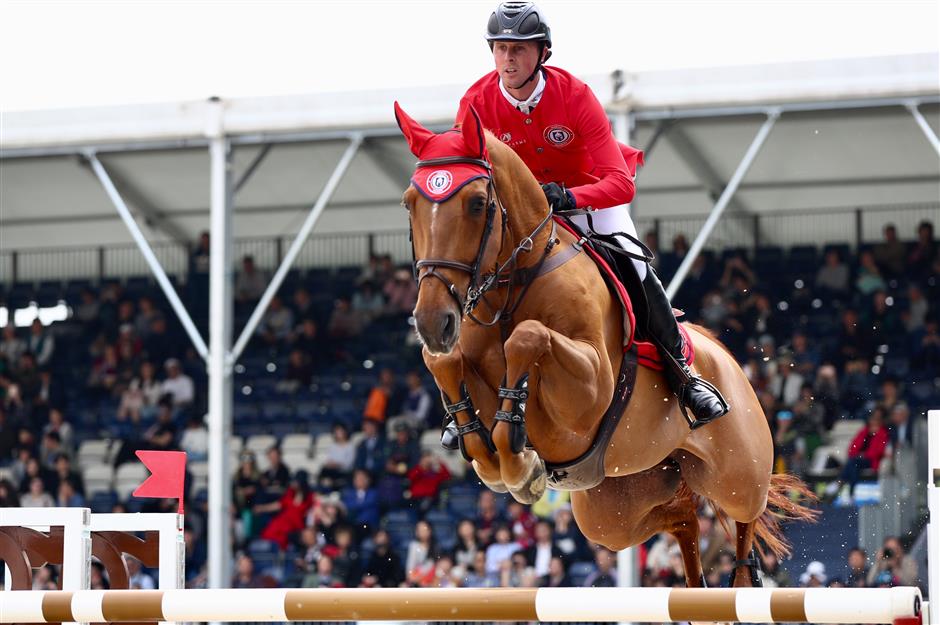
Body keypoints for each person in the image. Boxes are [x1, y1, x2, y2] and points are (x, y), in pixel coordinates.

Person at [449, 1, 727, 438]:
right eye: (500, 48)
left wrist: (571, 196)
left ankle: (684, 375)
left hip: (591, 200)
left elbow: (621, 183)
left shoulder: (575, 95)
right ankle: (460, 396)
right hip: (524, 216)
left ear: (542, 53)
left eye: (518, 49)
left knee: (634, 266)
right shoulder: (475, 103)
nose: (508, 59)